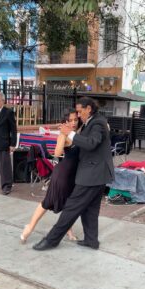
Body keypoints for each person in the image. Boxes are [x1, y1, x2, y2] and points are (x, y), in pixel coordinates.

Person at [33, 97, 115, 251]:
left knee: (70, 208)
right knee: (90, 209)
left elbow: (91, 143)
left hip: (92, 174)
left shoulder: (97, 123)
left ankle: (51, 240)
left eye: (79, 111)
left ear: (88, 109)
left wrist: (69, 134)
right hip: (96, 174)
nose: (78, 115)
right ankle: (91, 241)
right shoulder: (91, 122)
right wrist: (66, 132)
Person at [20, 108, 80, 243]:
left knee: (68, 204)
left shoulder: (77, 134)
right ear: (65, 121)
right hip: (62, 175)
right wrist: (63, 135)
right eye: (70, 120)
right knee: (47, 203)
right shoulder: (64, 135)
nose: (73, 123)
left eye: (75, 120)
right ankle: (29, 227)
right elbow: (57, 153)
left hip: (73, 177)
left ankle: (69, 232)